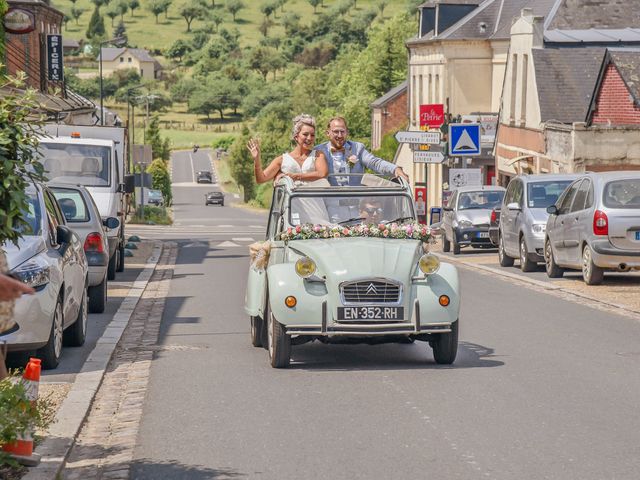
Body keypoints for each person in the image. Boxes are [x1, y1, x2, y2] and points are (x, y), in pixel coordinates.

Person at [315, 117, 409, 186]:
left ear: (347, 132)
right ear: (328, 133)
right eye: (336, 131)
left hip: (355, 203)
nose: (339, 135)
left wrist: (395, 169)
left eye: (342, 131)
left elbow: (374, 163)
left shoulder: (357, 148)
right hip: (331, 205)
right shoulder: (319, 150)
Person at [248, 114, 328, 185]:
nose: (309, 138)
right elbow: (261, 179)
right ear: (296, 136)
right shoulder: (281, 159)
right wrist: (257, 159)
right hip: (291, 201)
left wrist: (295, 176)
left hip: (315, 201)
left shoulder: (318, 155)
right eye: (305, 134)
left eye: (312, 135)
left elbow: (322, 174)